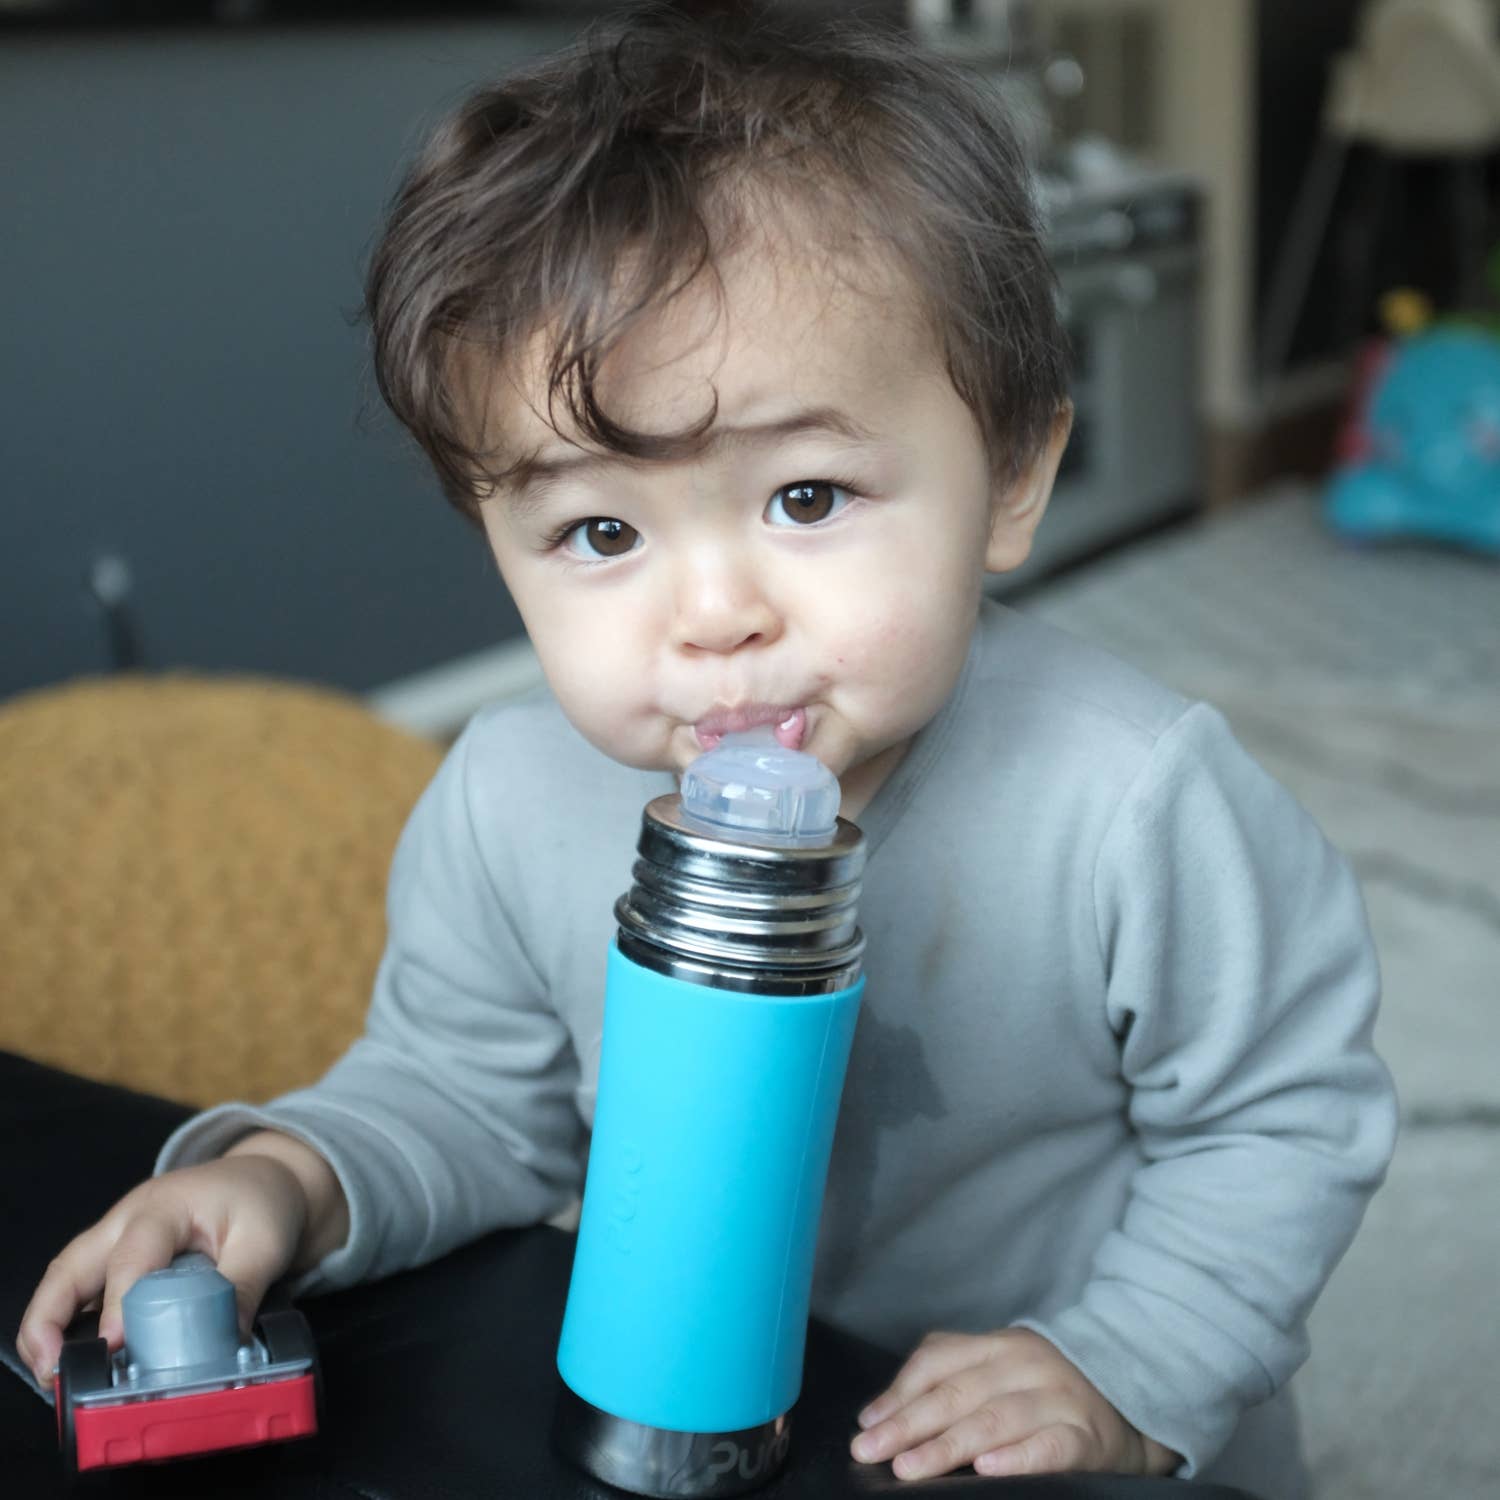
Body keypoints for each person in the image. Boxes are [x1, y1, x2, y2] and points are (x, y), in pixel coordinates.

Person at [17, 8, 1397, 1495]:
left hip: (1064, 1440)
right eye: (602, 530)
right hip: (702, 1424)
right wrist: (289, 1177)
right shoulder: (504, 800)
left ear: (1010, 474)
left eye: (807, 498)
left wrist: (1126, 1364)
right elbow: (467, 1098)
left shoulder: (1131, 797)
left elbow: (1284, 1115)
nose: (715, 616)